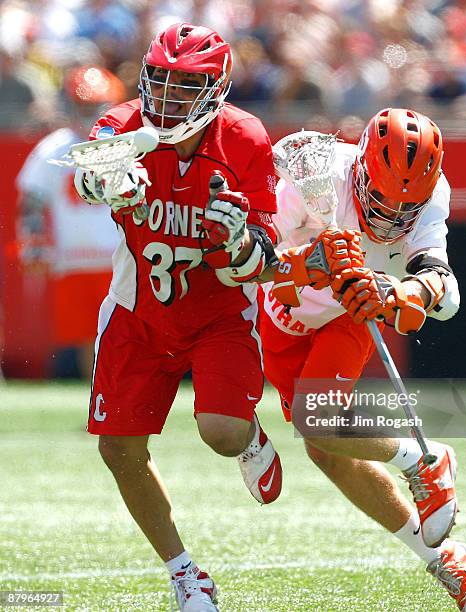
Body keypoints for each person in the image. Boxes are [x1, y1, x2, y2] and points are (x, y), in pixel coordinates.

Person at [73, 23, 356, 611]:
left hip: (219, 310)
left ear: (217, 89)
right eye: (162, 82)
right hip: (138, 308)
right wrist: (104, 177)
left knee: (221, 433)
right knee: (118, 450)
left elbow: (261, 260)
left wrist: (238, 237)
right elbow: (88, 166)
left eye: (186, 87)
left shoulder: (245, 138)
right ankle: (185, 574)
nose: (169, 99)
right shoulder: (124, 124)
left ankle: (252, 441)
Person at [261, 108, 466, 611]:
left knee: (316, 421)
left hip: (350, 313)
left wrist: (400, 292)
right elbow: (251, 263)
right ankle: (451, 558)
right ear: (360, 170)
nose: (391, 215)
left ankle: (424, 460)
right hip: (283, 313)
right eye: (381, 197)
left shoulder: (434, 193)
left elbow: (444, 290)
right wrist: (308, 265)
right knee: (326, 449)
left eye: (404, 206)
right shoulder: (316, 174)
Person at [16, 65, 125, 378]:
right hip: (73, 259)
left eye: (96, 108)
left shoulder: (122, 145)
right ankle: (96, 402)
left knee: (123, 335)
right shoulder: (55, 147)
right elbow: (32, 198)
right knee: (86, 338)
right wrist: (34, 241)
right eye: (84, 108)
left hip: (118, 257)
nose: (89, 116)